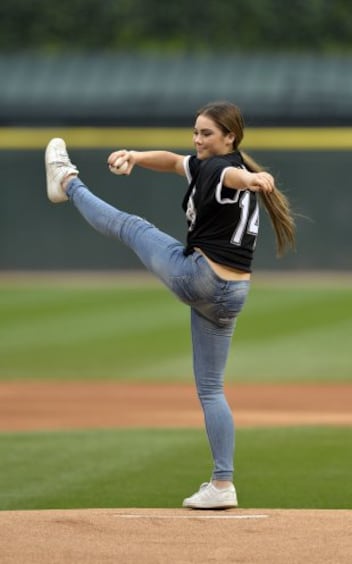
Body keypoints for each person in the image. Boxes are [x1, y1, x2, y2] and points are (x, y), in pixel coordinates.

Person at [45, 100, 295, 510]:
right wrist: (136, 156)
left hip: (201, 278)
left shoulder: (223, 170)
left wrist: (256, 178)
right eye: (195, 131)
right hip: (234, 293)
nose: (197, 139)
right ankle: (222, 484)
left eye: (207, 133)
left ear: (230, 137)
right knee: (212, 389)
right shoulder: (206, 163)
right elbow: (174, 162)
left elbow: (234, 177)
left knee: (132, 226)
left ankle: (67, 181)